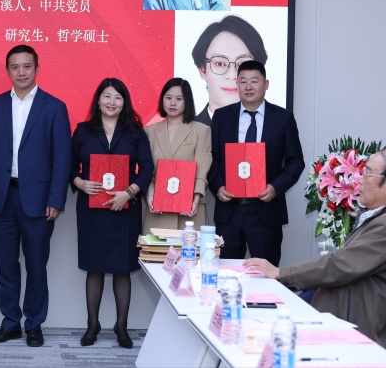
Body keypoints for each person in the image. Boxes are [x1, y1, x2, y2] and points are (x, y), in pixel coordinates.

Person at [244, 149, 386, 346]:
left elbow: (342, 264)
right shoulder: (375, 216)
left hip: (356, 328)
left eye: (367, 173)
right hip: (339, 310)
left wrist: (281, 273)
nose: (359, 179)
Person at [0, 45, 71, 348]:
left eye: (27, 66)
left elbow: (62, 158)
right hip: (2, 198)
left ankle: (34, 324)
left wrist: (56, 199)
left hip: (39, 200)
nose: (21, 72)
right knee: (5, 265)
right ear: (7, 70)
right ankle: (10, 323)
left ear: (36, 69)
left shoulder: (54, 107)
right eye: (15, 67)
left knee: (36, 266)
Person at [70, 79, 154, 348]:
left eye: (118, 97)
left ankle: (122, 326)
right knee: (94, 267)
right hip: (91, 210)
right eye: (107, 96)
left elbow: (147, 168)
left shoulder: (135, 132)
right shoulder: (83, 130)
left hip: (125, 210)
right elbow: (69, 165)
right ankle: (92, 325)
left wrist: (129, 193)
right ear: (98, 100)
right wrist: (80, 183)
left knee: (122, 268)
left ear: (124, 102)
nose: (111, 102)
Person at [207, 60, 304, 265]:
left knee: (265, 275)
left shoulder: (283, 118)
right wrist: (218, 187)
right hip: (230, 211)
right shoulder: (222, 117)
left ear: (266, 84)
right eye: (243, 81)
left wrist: (275, 188)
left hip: (265, 212)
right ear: (237, 84)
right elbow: (212, 158)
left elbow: (295, 162)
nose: (248, 87)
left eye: (254, 81)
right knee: (225, 273)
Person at [143, 78, 211, 231]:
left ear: (187, 101)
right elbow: (146, 169)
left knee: (189, 246)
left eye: (179, 99)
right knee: (156, 247)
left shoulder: (201, 130)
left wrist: (195, 199)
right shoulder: (149, 131)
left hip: (190, 209)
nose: (172, 103)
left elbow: (202, 169)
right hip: (157, 208)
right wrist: (150, 195)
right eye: (168, 98)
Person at [191, 15, 268, 126]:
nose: (232, 76)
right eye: (220, 63)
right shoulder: (184, 132)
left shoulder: (276, 128)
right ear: (203, 70)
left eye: (243, 64)